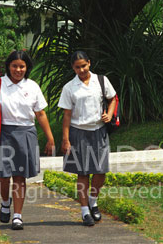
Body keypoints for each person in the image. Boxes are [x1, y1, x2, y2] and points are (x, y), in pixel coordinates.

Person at [0, 50, 55, 230]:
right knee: (2, 175)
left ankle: (17, 215)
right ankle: (5, 202)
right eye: (14, 65)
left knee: (20, 176)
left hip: (26, 132)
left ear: (27, 68)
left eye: (22, 66)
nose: (18, 69)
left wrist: (50, 138)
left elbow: (40, 113)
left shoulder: (32, 87)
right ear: (8, 66)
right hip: (3, 133)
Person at [58, 51, 117, 226]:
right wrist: (66, 139)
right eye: (77, 67)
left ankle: (93, 201)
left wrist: (109, 114)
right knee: (82, 172)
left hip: (99, 130)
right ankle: (85, 211)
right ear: (73, 68)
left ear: (89, 63)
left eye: (84, 65)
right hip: (78, 132)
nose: (81, 70)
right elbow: (67, 115)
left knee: (101, 171)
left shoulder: (101, 80)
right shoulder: (70, 87)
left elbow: (113, 98)